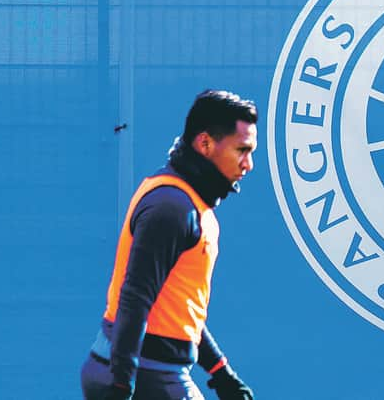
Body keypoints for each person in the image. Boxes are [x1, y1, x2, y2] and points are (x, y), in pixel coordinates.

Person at [81, 89, 258, 400]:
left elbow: (177, 309)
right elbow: (134, 299)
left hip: (142, 369)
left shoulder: (187, 203)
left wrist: (221, 373)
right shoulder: (172, 206)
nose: (249, 164)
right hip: (146, 374)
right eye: (242, 150)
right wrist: (121, 386)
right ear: (205, 144)